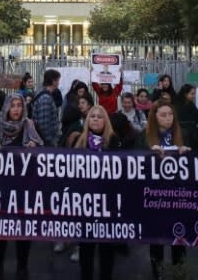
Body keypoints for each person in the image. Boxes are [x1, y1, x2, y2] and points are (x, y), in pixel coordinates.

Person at [0, 95, 42, 280]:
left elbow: (44, 153)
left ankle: (22, 267)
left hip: (24, 187)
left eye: (20, 105)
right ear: (7, 108)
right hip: (0, 187)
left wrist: (35, 147)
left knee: (22, 228)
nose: (17, 109)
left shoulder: (29, 125)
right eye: (13, 106)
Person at [140, 103, 190, 279]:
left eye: (170, 114)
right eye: (163, 114)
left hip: (178, 195)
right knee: (156, 239)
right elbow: (132, 161)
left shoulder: (183, 135)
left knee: (179, 238)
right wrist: (148, 152)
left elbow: (196, 163)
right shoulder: (144, 136)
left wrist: (186, 153)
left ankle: (179, 273)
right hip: (154, 196)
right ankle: (158, 273)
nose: (168, 118)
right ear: (155, 116)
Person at [75, 106, 120, 280]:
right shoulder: (80, 141)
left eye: (99, 116)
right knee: (86, 248)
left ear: (105, 120)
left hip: (108, 204)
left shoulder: (114, 141)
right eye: (92, 116)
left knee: (106, 249)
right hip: (85, 204)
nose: (95, 119)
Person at [33, 69, 62, 148]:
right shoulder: (45, 98)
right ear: (53, 81)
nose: (59, 83)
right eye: (58, 81)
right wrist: (49, 143)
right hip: (47, 144)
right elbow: (44, 125)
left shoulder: (43, 94)